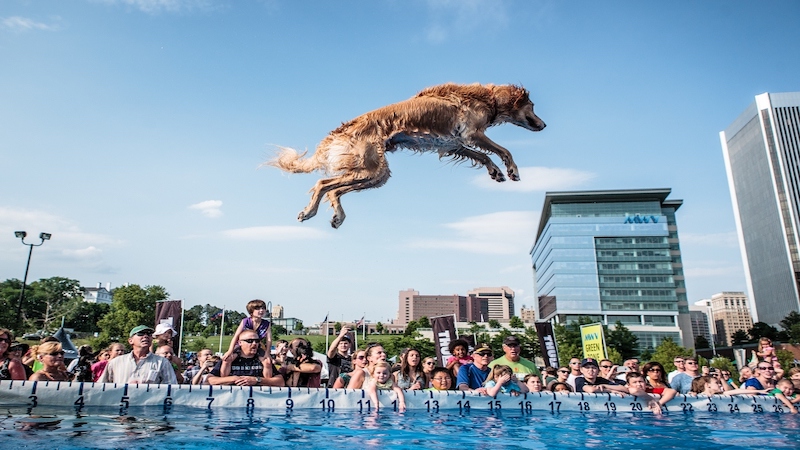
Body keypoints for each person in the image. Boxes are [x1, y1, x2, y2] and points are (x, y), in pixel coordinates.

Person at [98, 325, 177, 384]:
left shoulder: (162, 363)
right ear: (130, 340)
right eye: (141, 333)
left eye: (149, 334)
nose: (145, 336)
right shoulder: (115, 363)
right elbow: (101, 387)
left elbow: (172, 387)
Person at [207, 330, 283, 386]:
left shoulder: (263, 359)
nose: (254, 344)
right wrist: (233, 379)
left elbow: (280, 382)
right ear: (240, 343)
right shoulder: (230, 358)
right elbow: (210, 380)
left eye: (257, 341)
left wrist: (257, 380)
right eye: (250, 341)